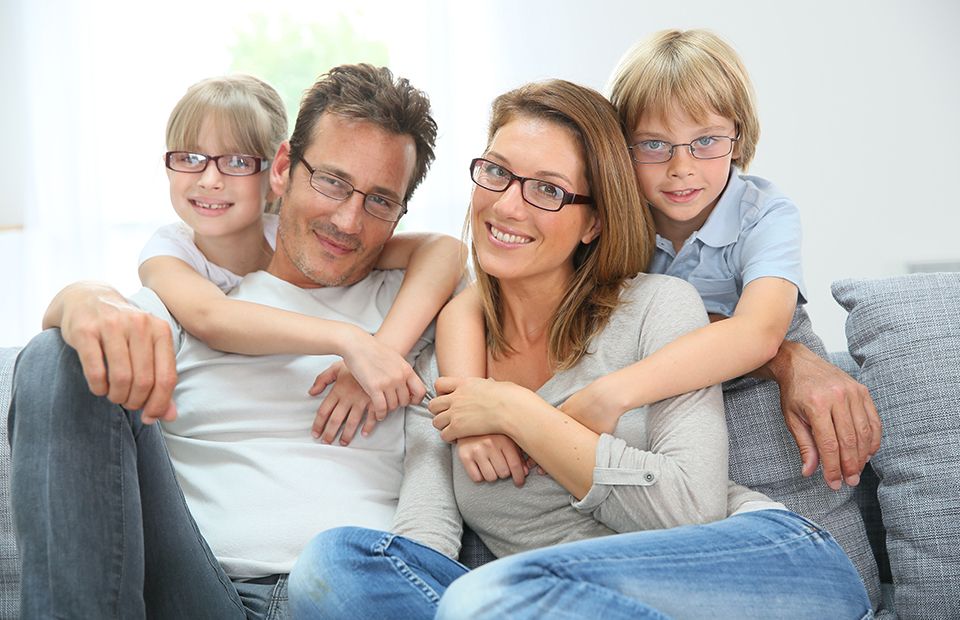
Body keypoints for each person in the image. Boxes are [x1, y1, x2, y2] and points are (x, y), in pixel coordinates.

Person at [288, 80, 872, 619]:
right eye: (496, 172)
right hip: (538, 604)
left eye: (548, 189)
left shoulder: (658, 308)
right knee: (335, 564)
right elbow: (424, 536)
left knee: (492, 593)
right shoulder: (444, 353)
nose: (508, 206)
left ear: (593, 222)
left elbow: (689, 510)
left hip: (754, 564)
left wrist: (516, 412)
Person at [8, 63, 447, 618]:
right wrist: (84, 295)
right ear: (284, 168)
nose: (348, 220)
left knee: (337, 564)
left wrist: (383, 346)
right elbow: (86, 334)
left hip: (344, 591)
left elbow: (454, 257)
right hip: (200, 592)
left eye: (380, 200)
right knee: (54, 356)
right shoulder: (197, 290)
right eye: (332, 181)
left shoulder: (410, 304)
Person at [439, 28, 880, 493]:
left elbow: (759, 332)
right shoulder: (610, 223)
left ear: (739, 135)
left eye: (706, 141)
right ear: (619, 154)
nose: (681, 167)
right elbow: (480, 297)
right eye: (653, 145)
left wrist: (614, 392)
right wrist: (472, 407)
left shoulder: (764, 215)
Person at [109, 75, 460, 442]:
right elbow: (211, 317)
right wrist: (352, 342)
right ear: (284, 170)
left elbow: (445, 250)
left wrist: (383, 352)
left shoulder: (300, 234)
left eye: (238, 162)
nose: (211, 180)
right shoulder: (173, 250)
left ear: (271, 173)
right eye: (190, 158)